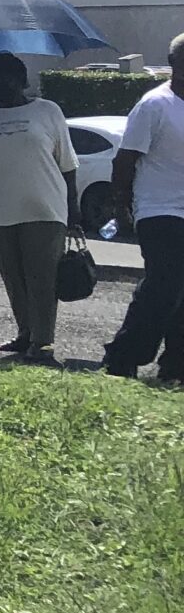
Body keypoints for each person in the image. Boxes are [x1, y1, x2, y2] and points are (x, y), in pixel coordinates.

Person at [0, 54, 78, 362]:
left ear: (21, 81)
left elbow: (67, 164)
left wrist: (73, 211)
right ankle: (25, 334)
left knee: (41, 278)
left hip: (44, 209)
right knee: (14, 278)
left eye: (2, 77)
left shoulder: (47, 111)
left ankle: (43, 344)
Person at [104, 33, 184, 382]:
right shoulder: (155, 105)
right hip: (159, 211)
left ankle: (176, 365)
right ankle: (123, 355)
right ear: (176, 65)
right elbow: (124, 161)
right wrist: (123, 207)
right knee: (163, 286)